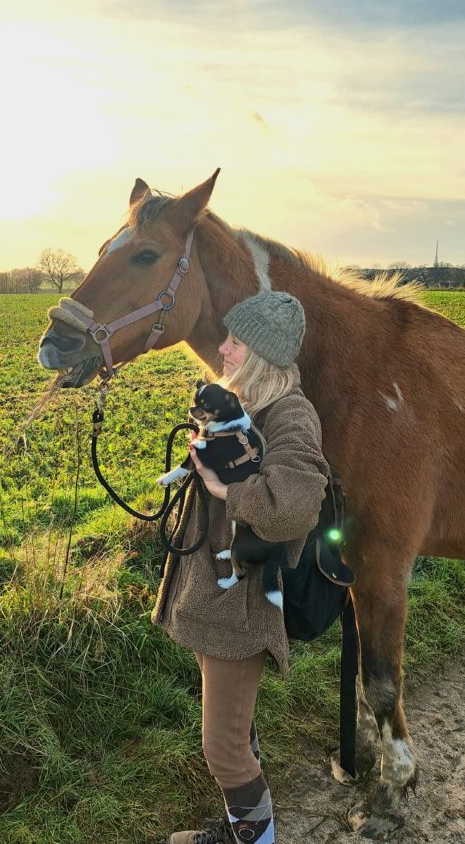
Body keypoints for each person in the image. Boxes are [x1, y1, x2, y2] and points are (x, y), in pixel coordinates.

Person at [152, 290, 330, 844]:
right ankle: (242, 828)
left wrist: (227, 487)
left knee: (222, 747)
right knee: (237, 728)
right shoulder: (247, 402)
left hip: (245, 602)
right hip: (217, 594)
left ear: (262, 354)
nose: (221, 348)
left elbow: (298, 504)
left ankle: (256, 839)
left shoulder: (290, 413)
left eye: (235, 341)